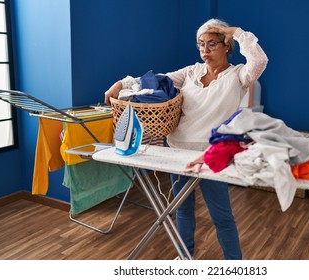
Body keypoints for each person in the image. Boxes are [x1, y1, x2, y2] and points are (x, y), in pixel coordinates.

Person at [104, 18, 268, 260]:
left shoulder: (239, 76)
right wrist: (121, 83)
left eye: (212, 44)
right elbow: (153, 80)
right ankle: (185, 259)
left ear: (226, 46)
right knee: (182, 210)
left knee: (221, 215)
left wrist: (236, 32)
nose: (205, 50)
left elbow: (259, 60)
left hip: (210, 155)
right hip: (176, 149)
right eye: (201, 44)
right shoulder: (190, 72)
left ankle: (235, 264)